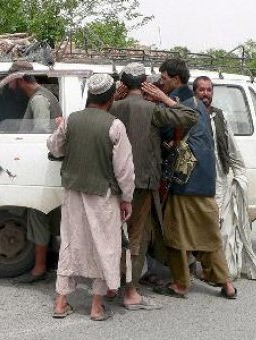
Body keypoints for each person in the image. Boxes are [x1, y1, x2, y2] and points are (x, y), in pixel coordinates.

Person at [110, 63, 199, 310]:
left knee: (114, 235)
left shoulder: (113, 107)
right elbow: (191, 117)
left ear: (124, 84)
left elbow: (91, 112)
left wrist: (115, 97)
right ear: (145, 83)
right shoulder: (153, 109)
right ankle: (131, 292)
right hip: (143, 182)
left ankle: (111, 286)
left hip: (114, 182)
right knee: (137, 236)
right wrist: (163, 98)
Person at [48, 73, 135, 321]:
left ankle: (61, 303)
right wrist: (127, 198)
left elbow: (55, 147)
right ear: (110, 98)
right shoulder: (115, 125)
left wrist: (60, 127)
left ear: (90, 96)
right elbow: (124, 170)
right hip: (103, 195)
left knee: (69, 243)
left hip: (73, 191)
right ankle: (96, 308)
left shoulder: (71, 121)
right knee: (103, 246)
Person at [153, 58, 237, 299]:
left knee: (175, 235)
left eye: (165, 78)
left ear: (176, 79)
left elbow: (166, 130)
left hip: (185, 181)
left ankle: (180, 284)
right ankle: (227, 284)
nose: (162, 82)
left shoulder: (178, 102)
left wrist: (157, 102)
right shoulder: (198, 103)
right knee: (209, 237)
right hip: (205, 181)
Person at [192, 76, 256, 281]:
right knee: (200, 227)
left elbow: (231, 149)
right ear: (195, 92)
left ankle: (219, 272)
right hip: (197, 182)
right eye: (202, 90)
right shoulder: (189, 115)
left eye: (209, 90)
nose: (206, 94)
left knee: (221, 228)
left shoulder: (219, 117)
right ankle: (203, 269)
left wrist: (240, 175)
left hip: (219, 180)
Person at [9, 61, 63, 284]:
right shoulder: (42, 96)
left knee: (38, 214)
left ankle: (39, 268)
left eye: (9, 79)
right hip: (48, 166)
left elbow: (41, 135)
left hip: (43, 167)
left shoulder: (39, 100)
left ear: (19, 79)